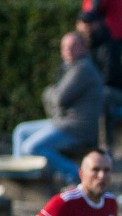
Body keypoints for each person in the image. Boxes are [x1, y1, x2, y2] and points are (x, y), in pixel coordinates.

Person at [12, 32, 104, 185]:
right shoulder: (71, 67)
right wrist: (53, 94)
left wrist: (49, 91)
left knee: (31, 147)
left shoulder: (83, 68)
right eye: (65, 47)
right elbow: (58, 98)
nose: (68, 50)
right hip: (63, 121)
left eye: (73, 46)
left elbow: (59, 97)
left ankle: (75, 173)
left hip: (76, 127)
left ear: (83, 48)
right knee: (21, 131)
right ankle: (21, 177)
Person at [76, 11, 122, 147]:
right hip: (91, 91)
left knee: (100, 98)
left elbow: (110, 75)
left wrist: (89, 87)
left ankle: (105, 146)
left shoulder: (108, 45)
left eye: (90, 24)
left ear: (97, 24)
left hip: (114, 91)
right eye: (84, 24)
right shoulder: (79, 46)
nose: (86, 28)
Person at [80, 0, 122, 67]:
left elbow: (95, 9)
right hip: (121, 31)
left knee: (99, 67)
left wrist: (85, 21)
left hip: (105, 33)